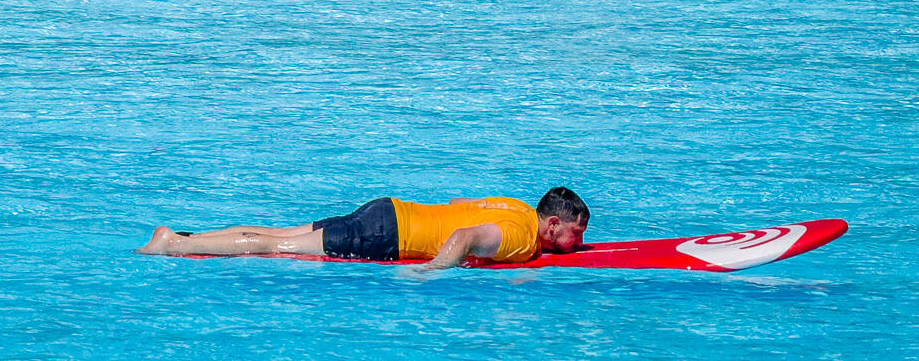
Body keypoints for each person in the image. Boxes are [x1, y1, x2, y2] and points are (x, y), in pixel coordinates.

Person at [136, 187, 590, 270]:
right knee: (274, 247)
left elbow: (457, 209)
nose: (580, 242)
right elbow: (465, 238)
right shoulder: (518, 237)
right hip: (386, 236)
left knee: (276, 232)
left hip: (389, 209)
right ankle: (171, 244)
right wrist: (430, 271)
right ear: (552, 224)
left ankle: (190, 237)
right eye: (577, 233)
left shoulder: (512, 206)